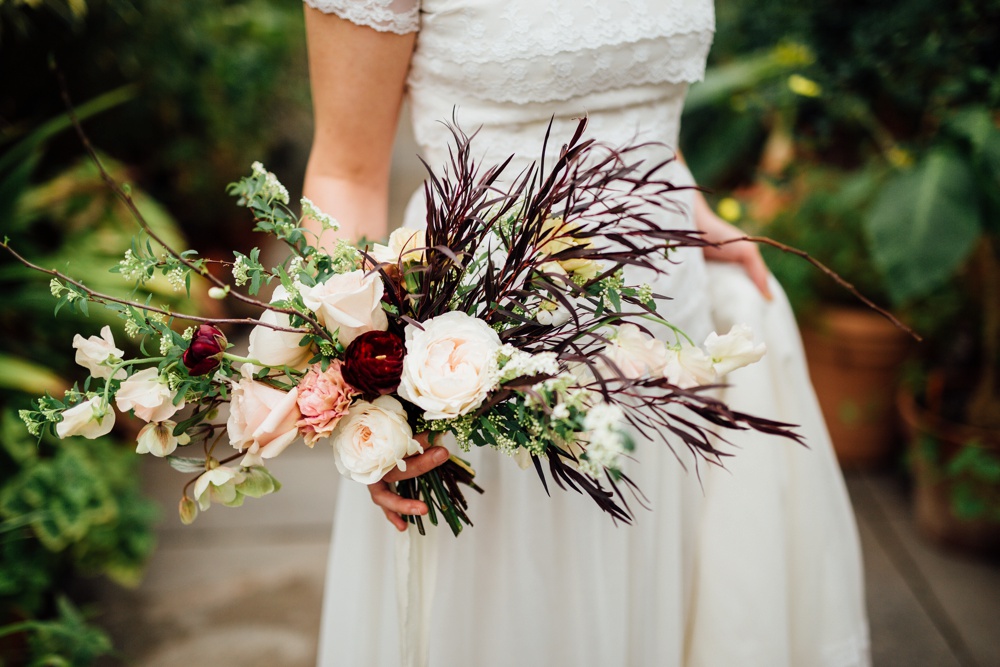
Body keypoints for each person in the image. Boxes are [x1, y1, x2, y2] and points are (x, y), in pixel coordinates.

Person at [302, 1, 871, 666]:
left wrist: (690, 207)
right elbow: (347, 171)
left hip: (666, 335)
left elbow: (640, 90)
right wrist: (366, 387)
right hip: (485, 369)